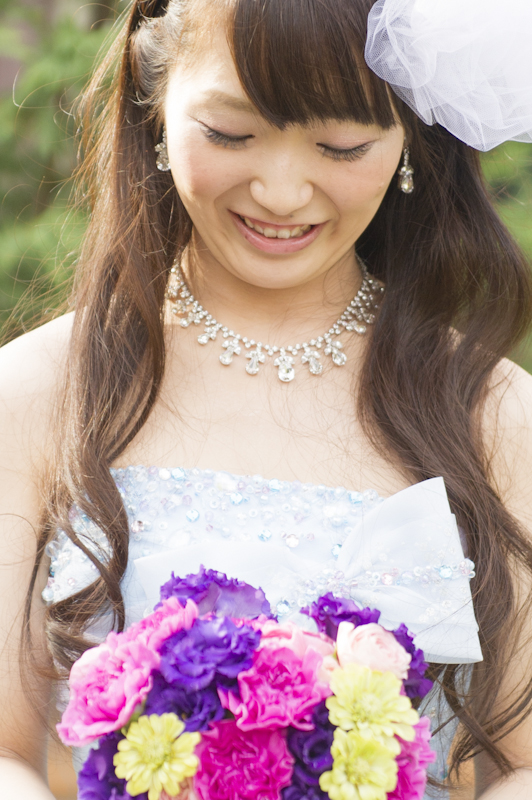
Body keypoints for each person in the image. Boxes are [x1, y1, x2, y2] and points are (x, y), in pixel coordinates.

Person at [1, 0, 532, 797]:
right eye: (230, 133)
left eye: (341, 145)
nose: (281, 193)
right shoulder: (39, 391)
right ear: (155, 99)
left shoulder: (495, 414)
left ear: (408, 140)